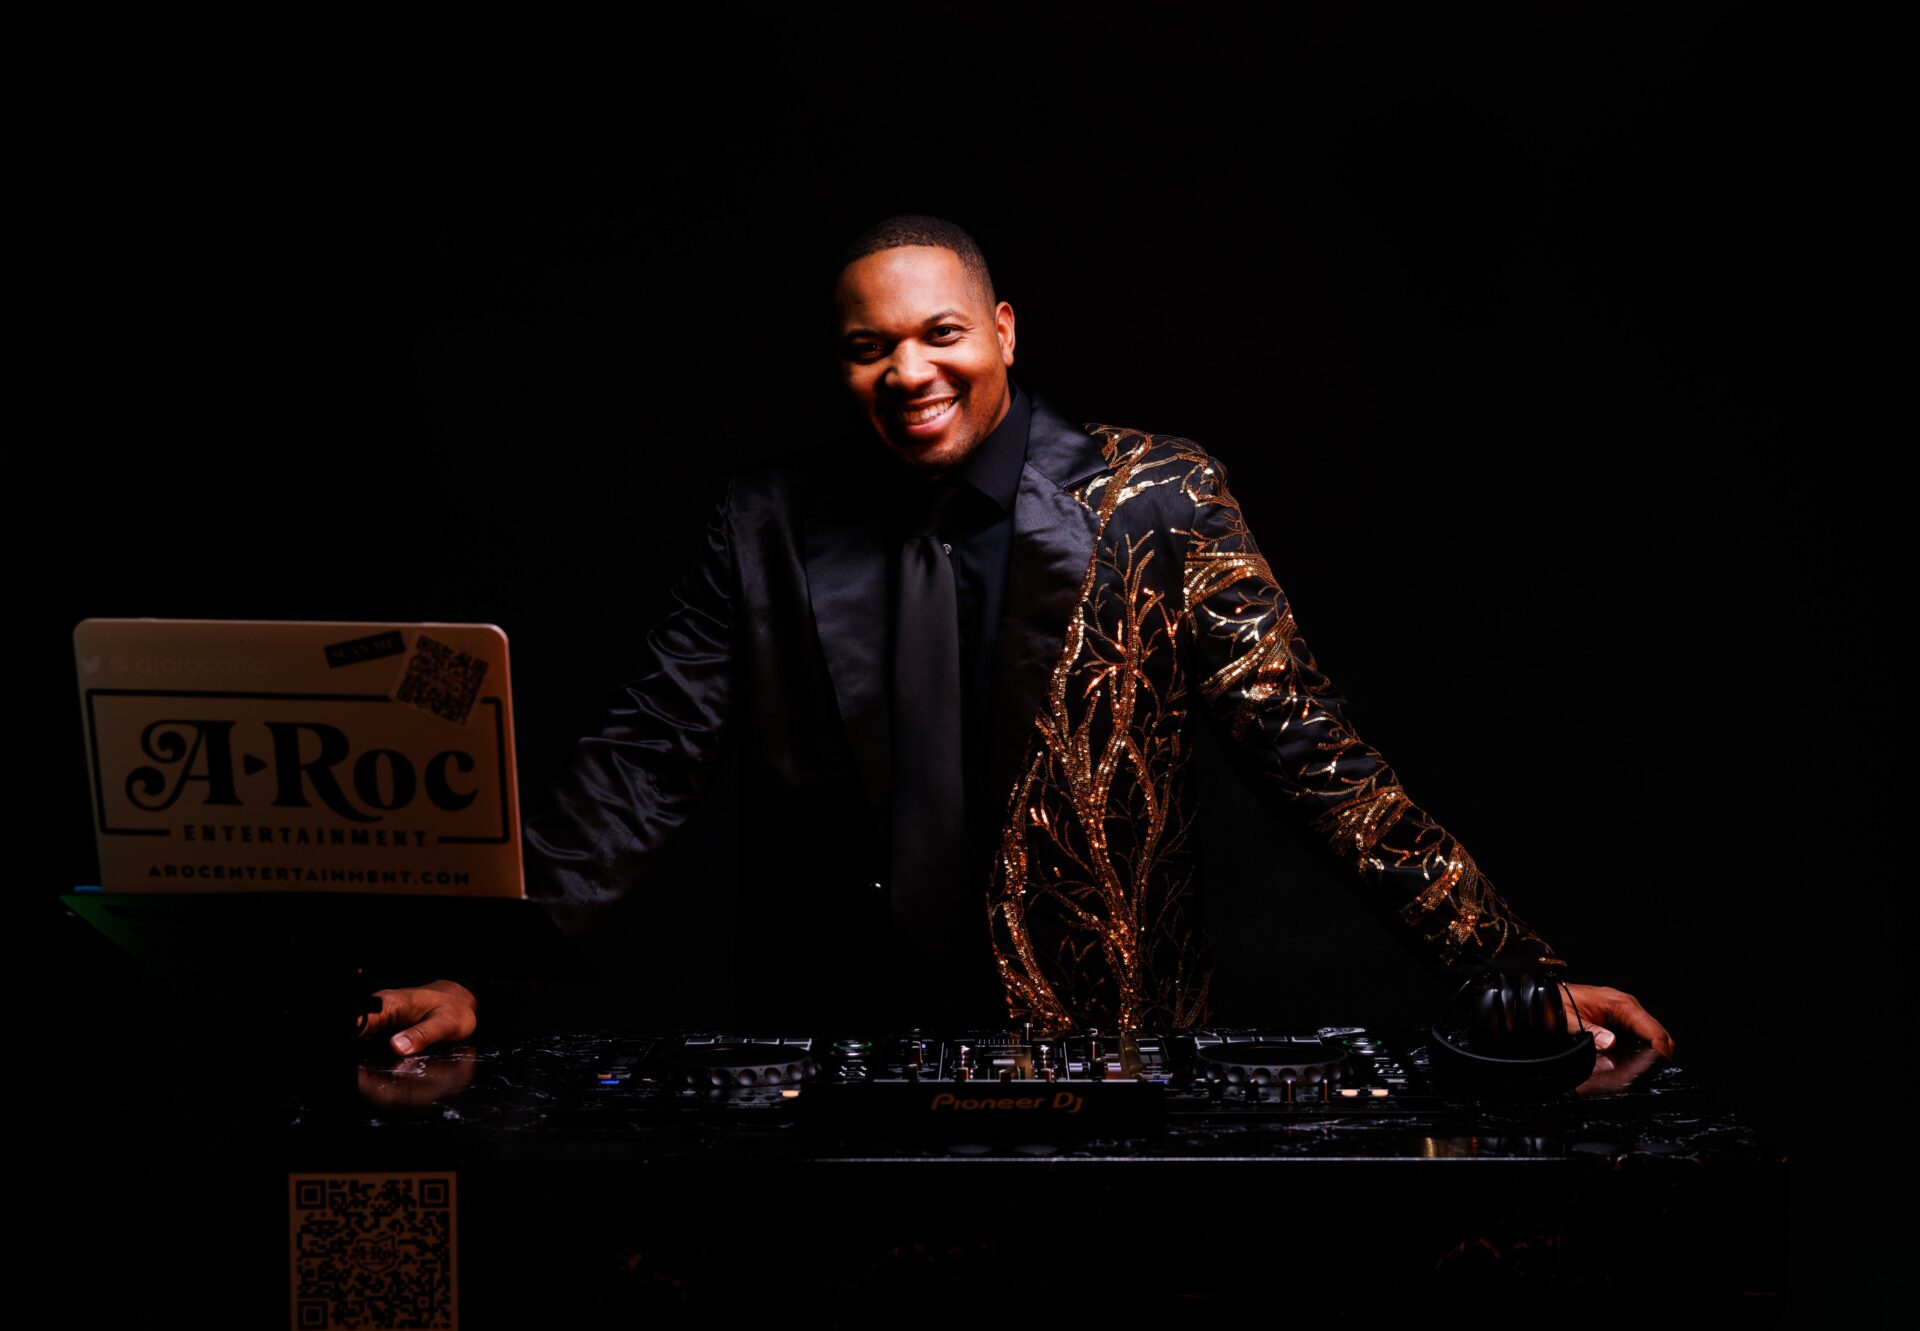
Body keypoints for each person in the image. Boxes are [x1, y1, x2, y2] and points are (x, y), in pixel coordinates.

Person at [366, 215, 1673, 1056]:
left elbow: (1308, 751)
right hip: (834, 1055)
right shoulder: (766, 521)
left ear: (1001, 332)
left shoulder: (1156, 499)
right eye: (870, 347)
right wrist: (479, 970)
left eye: (940, 334)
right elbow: (646, 758)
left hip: (1109, 1054)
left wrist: (1512, 971)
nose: (909, 372)